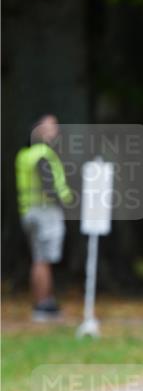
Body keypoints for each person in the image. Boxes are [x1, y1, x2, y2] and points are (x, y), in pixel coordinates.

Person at [15, 114, 74, 321]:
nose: (55, 131)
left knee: (39, 259)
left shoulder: (24, 154)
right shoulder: (43, 154)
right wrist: (67, 203)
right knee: (43, 260)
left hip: (29, 212)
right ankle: (43, 304)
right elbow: (50, 186)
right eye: (50, 127)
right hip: (45, 212)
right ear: (37, 130)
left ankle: (45, 302)